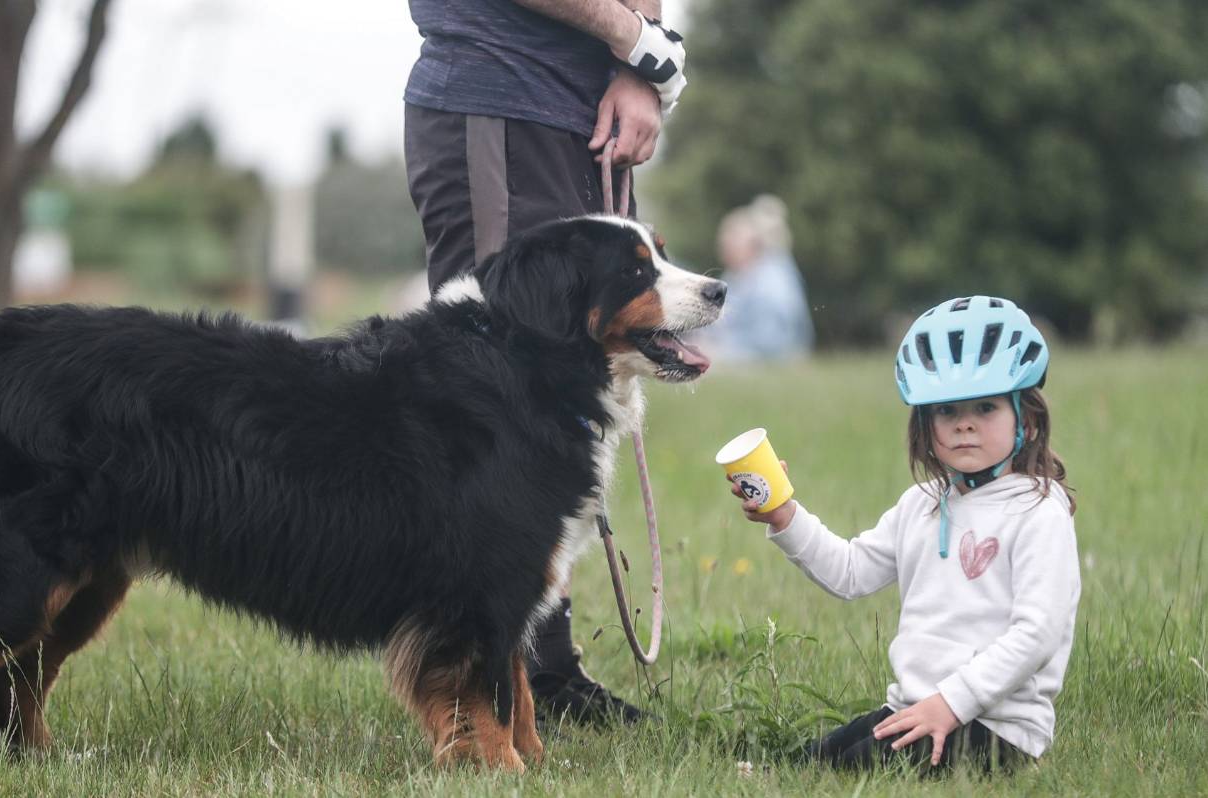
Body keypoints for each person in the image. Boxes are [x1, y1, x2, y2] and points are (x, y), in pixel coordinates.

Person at [402, 0, 689, 725]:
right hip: (499, 91)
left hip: (579, 104)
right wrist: (635, 38)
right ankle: (500, 674)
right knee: (500, 405)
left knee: (555, 405)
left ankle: (533, 668)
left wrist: (637, 69)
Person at [733, 296, 1080, 772]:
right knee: (816, 758)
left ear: (1029, 418)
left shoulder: (1038, 512)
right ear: (924, 423)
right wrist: (785, 516)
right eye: (946, 411)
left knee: (855, 768)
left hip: (996, 727)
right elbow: (851, 573)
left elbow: (1037, 633)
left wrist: (953, 703)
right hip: (917, 708)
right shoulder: (922, 504)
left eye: (986, 407)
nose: (964, 423)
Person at [700, 195, 814, 362]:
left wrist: (718, 351)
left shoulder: (772, 280)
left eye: (730, 242)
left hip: (774, 358)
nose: (723, 248)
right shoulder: (737, 275)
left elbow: (771, 343)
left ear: (753, 243)